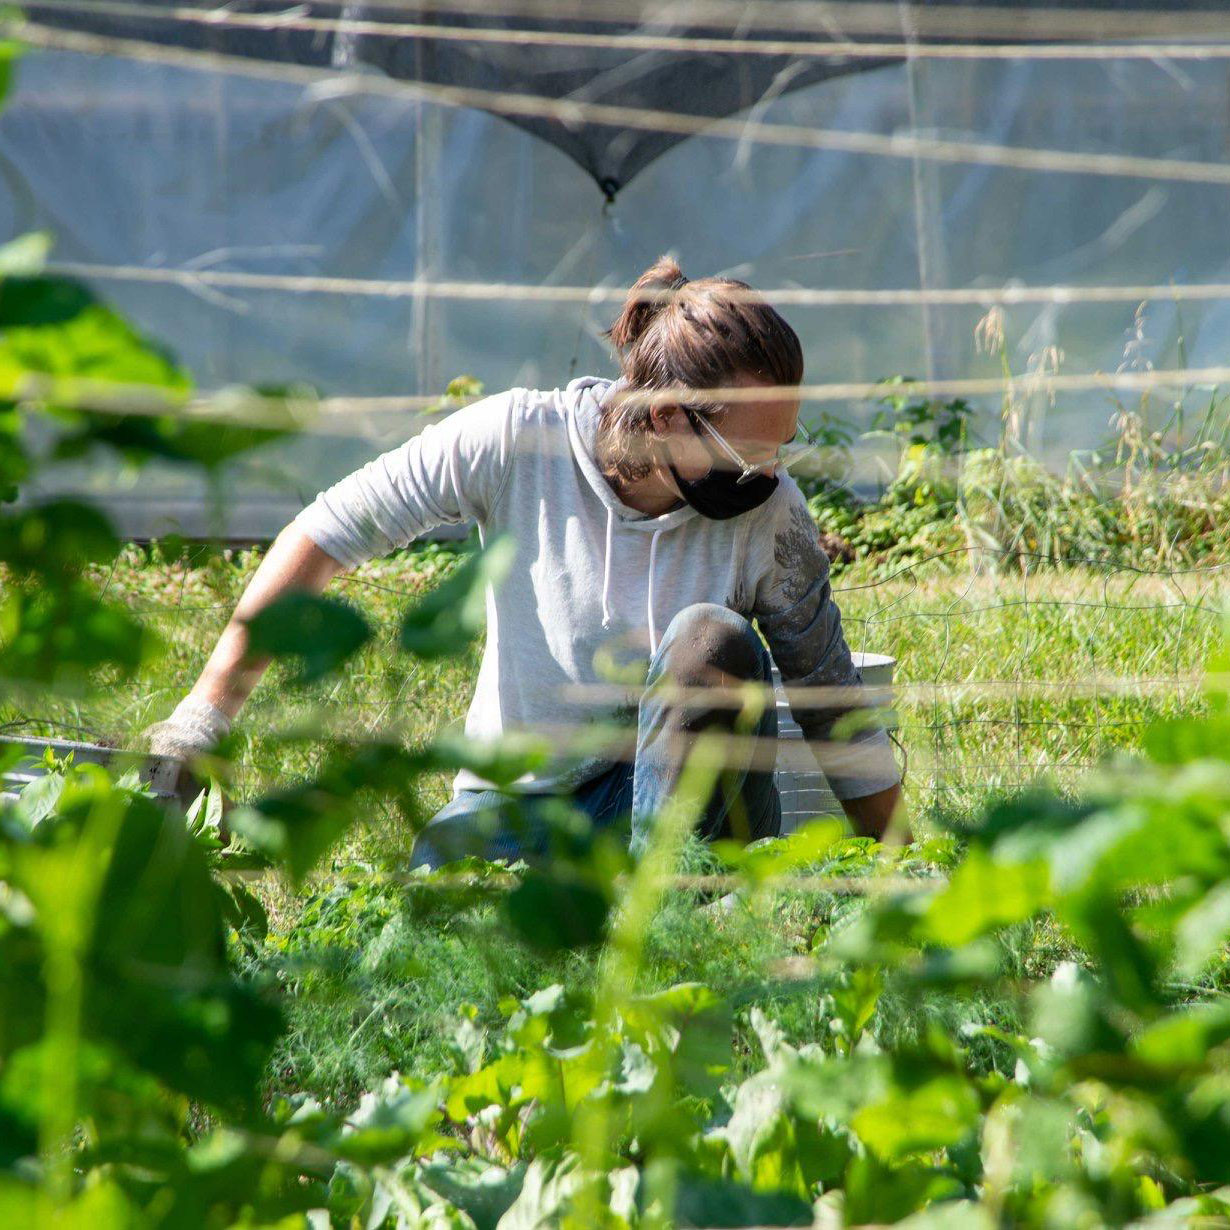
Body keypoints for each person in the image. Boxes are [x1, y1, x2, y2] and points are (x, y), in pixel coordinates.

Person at [146, 257, 902, 866]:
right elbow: (326, 535)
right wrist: (201, 720)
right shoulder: (517, 441)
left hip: (681, 814)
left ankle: (670, 925)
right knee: (441, 937)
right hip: (511, 809)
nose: (772, 474)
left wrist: (903, 863)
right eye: (752, 451)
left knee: (712, 640)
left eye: (784, 447)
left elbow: (831, 702)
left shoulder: (769, 516)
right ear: (668, 419)